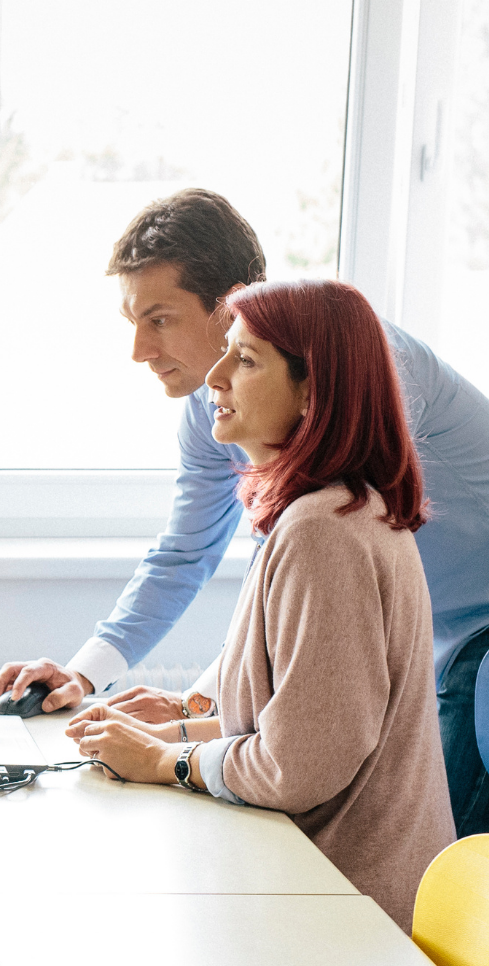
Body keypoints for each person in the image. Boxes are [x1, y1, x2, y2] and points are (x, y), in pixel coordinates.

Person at [0, 190, 489, 837]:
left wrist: (190, 728)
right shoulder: (217, 412)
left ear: (227, 303)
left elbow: (304, 559)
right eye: (132, 319)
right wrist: (84, 676)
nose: (140, 349)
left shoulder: (355, 374)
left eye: (160, 318)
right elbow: (188, 553)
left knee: (430, 850)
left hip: (473, 632)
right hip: (424, 632)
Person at [67, 281, 452, 931]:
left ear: (314, 391)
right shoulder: (334, 511)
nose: (213, 376)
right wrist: (163, 732)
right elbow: (292, 727)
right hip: (324, 893)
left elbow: (297, 765)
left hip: (344, 917)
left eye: (244, 360)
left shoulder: (324, 532)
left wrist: (167, 761)